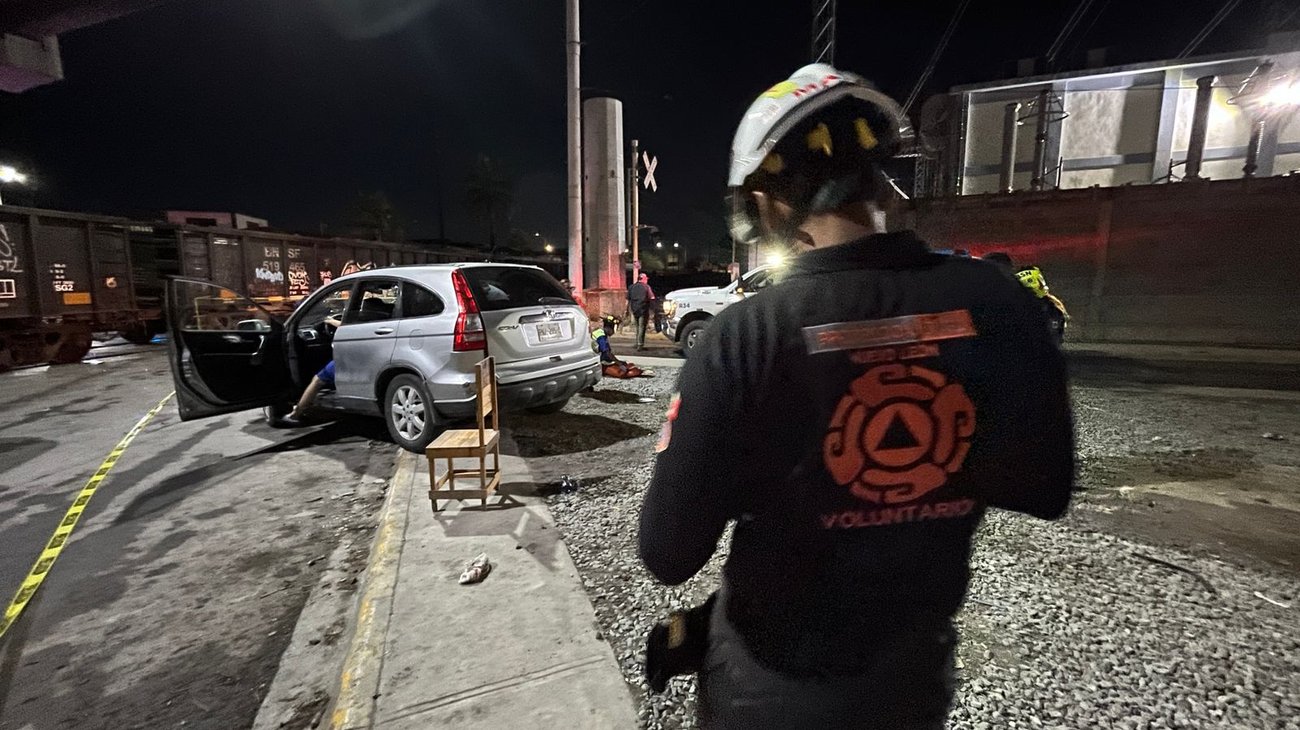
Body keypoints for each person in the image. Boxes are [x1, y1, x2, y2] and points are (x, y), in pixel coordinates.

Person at [638, 64, 1074, 728]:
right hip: (912, 671)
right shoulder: (998, 303)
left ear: (771, 203)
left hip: (774, 681)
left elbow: (667, 552)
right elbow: (1045, 487)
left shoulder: (745, 334)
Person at [283, 314, 342, 425]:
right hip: (356, 358)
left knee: (317, 380)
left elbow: (345, 327)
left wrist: (330, 321)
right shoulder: (372, 319)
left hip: (344, 359)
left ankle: (296, 414)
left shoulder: (356, 321)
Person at [627, 273, 653, 350]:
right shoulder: (646, 287)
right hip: (643, 309)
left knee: (637, 327)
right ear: (642, 279)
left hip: (634, 309)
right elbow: (651, 297)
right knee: (642, 327)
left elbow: (628, 299)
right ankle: (640, 344)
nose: (647, 280)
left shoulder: (631, 287)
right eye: (646, 279)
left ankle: (637, 343)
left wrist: (627, 310)